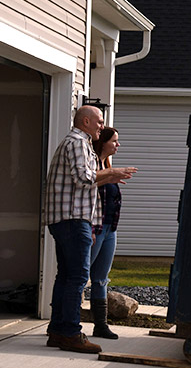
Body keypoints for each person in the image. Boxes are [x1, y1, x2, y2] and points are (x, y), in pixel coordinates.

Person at [44, 105, 136, 353]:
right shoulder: (77, 142)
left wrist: (109, 177)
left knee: (65, 275)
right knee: (77, 277)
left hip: (67, 219)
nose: (102, 126)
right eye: (100, 122)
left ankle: (58, 331)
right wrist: (111, 171)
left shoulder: (79, 143)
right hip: (73, 219)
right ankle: (72, 333)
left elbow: (85, 181)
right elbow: (83, 178)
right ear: (85, 121)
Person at [89, 127, 124, 339]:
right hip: (96, 228)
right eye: (114, 141)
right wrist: (91, 228)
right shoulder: (92, 165)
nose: (117, 145)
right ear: (102, 142)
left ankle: (100, 325)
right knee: (79, 276)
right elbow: (88, 197)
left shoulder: (107, 165)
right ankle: (65, 321)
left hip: (110, 229)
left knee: (101, 279)